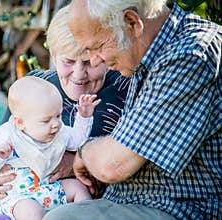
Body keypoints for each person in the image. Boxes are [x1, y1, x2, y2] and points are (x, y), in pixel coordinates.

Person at [42, 0, 221, 219]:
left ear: (132, 22)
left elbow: (113, 165)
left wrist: (83, 153)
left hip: (177, 209)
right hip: (132, 200)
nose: (97, 60)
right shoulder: (144, 53)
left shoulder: (189, 56)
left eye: (97, 47)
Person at [0, 5, 129, 201]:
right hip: (32, 200)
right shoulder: (35, 86)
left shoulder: (124, 85)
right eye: (68, 61)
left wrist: (73, 162)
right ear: (54, 56)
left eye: (89, 62)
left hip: (99, 203)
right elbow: (0, 144)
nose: (78, 74)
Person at [0, 76, 100, 219]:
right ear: (20, 123)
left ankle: (85, 217)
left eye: (58, 115)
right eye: (46, 120)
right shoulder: (8, 135)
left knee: (77, 188)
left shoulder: (58, 131)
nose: (55, 123)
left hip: (50, 189)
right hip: (20, 197)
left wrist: (84, 117)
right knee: (31, 211)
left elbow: (77, 141)